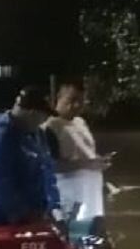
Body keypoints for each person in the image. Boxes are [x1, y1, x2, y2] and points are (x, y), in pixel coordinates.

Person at [0, 86, 62, 228]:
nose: (43, 121)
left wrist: (54, 208)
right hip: (1, 224)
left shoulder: (37, 135)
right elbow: (0, 184)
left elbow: (47, 172)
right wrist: (24, 216)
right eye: (43, 116)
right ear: (31, 112)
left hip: (34, 221)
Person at [42, 79, 111, 226]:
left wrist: (99, 161)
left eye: (81, 101)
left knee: (93, 240)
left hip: (91, 197)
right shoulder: (50, 127)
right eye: (72, 100)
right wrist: (87, 164)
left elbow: (85, 153)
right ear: (58, 99)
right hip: (70, 199)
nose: (77, 105)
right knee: (73, 238)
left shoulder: (80, 122)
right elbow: (51, 167)